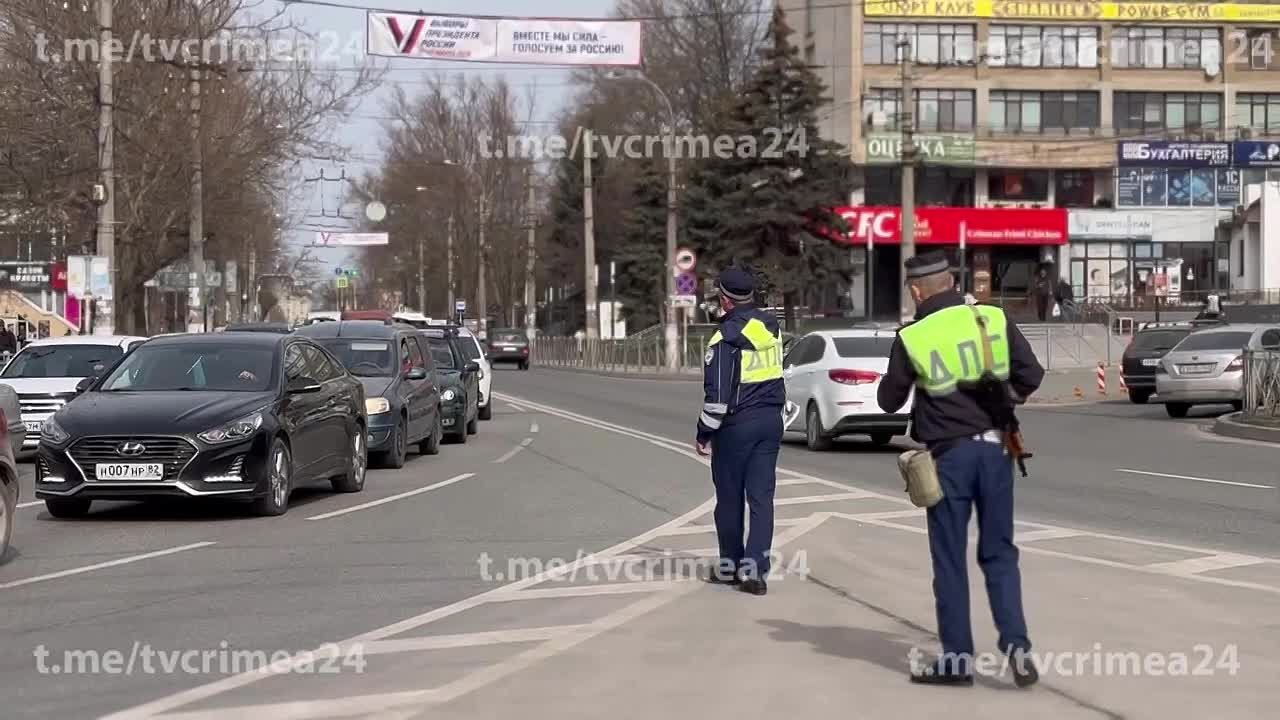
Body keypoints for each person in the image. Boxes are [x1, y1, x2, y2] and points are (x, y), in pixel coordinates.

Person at [877, 251, 1045, 687]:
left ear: (916, 290)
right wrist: (1003, 398)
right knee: (1000, 553)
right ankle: (1018, 648)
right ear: (952, 281)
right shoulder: (992, 318)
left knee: (949, 560)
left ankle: (956, 663)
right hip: (997, 452)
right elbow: (1032, 375)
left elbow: (888, 402)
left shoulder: (914, 336)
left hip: (948, 459)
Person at [695, 268, 786, 596]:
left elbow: (717, 396)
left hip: (737, 427)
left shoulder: (725, 338)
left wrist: (704, 432)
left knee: (730, 499)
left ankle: (731, 567)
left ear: (724, 299)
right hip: (771, 421)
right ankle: (755, 572)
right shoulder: (771, 327)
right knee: (762, 498)